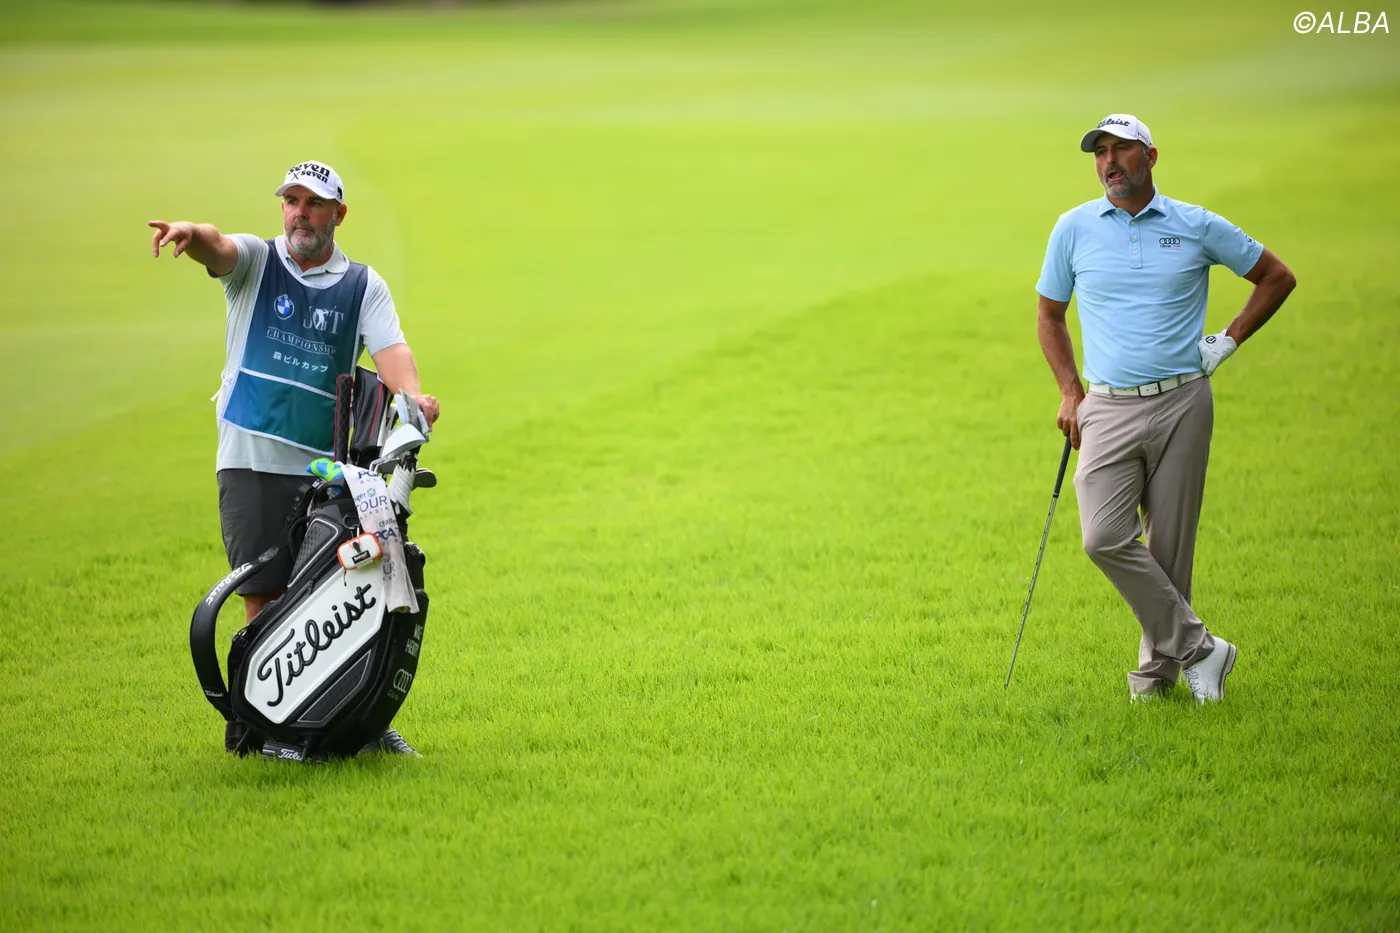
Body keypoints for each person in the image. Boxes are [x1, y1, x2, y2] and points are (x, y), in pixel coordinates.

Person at [150, 159, 440, 752]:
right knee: (265, 599)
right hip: (251, 461)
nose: (300, 213)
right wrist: (190, 232)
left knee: (344, 593)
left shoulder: (363, 285)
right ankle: (267, 731)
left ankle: (357, 719)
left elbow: (394, 356)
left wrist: (412, 402)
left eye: (313, 203)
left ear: (338, 214)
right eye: (291, 201)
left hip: (328, 470)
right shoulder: (257, 262)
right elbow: (218, 247)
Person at [1035, 115, 1296, 703]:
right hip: (1107, 406)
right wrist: (1070, 390)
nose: (1109, 162)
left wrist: (1227, 340)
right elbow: (1049, 314)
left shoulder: (1195, 224)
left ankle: (1155, 679)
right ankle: (1204, 649)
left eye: (1121, 150)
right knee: (1103, 537)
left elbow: (1276, 277)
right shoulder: (1073, 228)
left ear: (1150, 157)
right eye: (1100, 152)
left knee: (1169, 548)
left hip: (1183, 402)